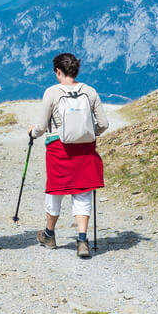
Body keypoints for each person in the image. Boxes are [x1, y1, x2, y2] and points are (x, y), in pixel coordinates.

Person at [28, 53, 109, 259]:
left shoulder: (52, 93)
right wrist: (89, 134)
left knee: (55, 190)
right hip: (85, 148)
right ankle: (82, 240)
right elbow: (104, 124)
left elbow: (41, 125)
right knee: (82, 191)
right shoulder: (89, 91)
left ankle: (49, 234)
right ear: (76, 70)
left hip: (58, 148)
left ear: (58, 71)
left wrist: (32, 133)